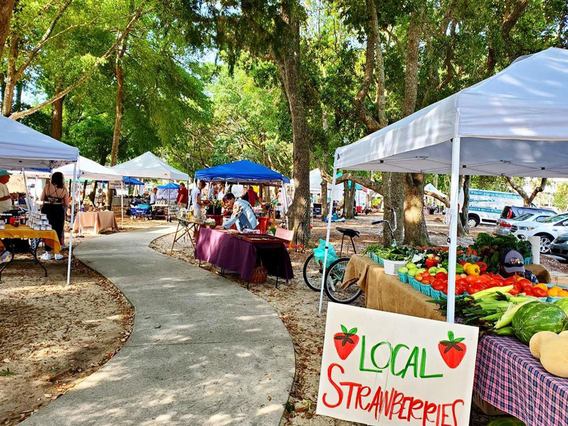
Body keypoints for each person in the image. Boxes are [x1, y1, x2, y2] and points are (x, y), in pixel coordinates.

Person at [40, 172, 69, 261]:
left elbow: (41, 198)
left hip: (47, 209)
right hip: (58, 210)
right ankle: (57, 252)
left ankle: (47, 252)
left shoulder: (47, 187)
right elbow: (66, 203)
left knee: (47, 229)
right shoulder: (64, 190)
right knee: (58, 230)